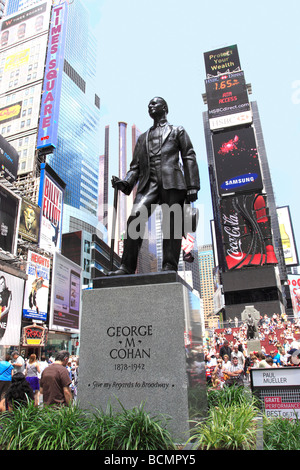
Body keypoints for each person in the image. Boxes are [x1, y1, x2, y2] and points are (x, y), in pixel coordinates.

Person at [109, 97, 200, 275]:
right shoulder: (143, 138)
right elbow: (135, 167)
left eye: (154, 103)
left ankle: (169, 266)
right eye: (149, 104)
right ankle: (126, 266)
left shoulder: (177, 131)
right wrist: (126, 182)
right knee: (134, 219)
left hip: (172, 182)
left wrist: (192, 186)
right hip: (148, 183)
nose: (150, 106)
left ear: (165, 108)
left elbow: (189, 155)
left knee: (171, 223)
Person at [0, 275, 12, 340]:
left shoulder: (8, 293)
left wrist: (1, 315)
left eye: (3, 283)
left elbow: (8, 307)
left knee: (1, 334)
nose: (2, 285)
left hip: (3, 317)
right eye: (0, 283)